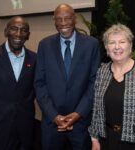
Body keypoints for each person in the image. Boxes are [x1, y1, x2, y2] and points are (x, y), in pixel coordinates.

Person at [34, 3, 101, 150]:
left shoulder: (91, 45)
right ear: (54, 21)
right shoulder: (44, 45)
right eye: (59, 19)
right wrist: (54, 115)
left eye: (67, 18)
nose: (63, 23)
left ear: (75, 19)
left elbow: (94, 82)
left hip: (81, 123)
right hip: (52, 124)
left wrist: (78, 113)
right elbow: (39, 83)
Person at [0, 16, 36, 150]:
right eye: (14, 29)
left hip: (25, 127)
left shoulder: (35, 59)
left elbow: (37, 89)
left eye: (23, 30)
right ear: (6, 31)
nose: (18, 34)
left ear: (28, 35)